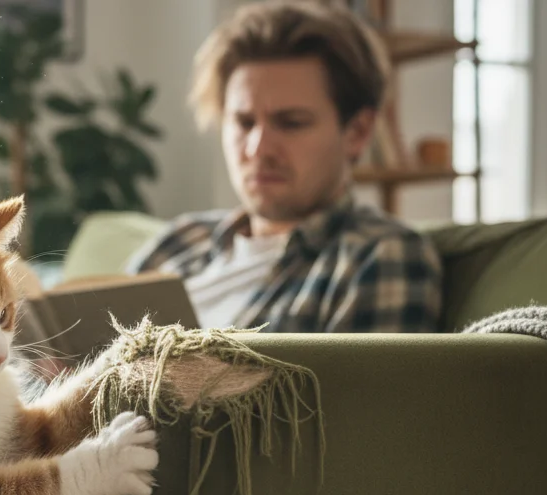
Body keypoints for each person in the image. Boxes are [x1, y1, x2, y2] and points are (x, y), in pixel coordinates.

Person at [127, 0, 443, 333]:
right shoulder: (180, 240)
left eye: (291, 122)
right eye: (244, 122)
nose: (258, 149)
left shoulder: (378, 256)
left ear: (357, 133)